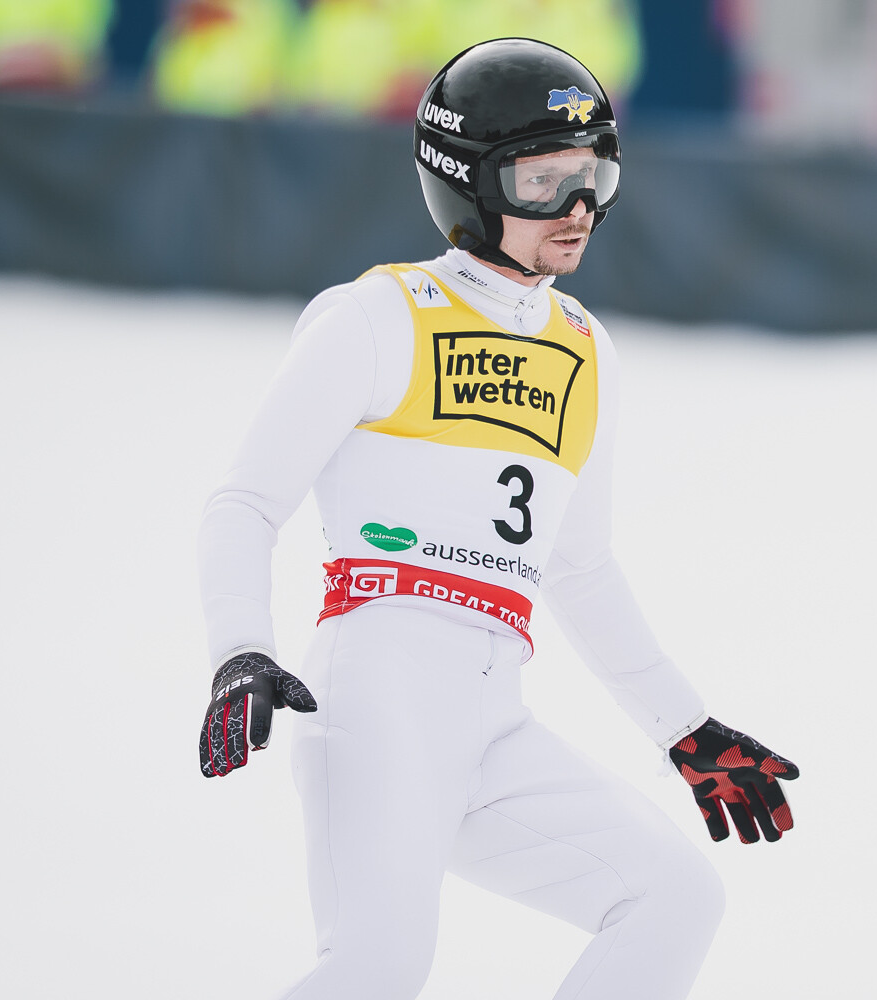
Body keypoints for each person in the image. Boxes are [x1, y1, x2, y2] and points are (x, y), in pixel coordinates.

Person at [196, 37, 799, 1000]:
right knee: (377, 968)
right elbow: (246, 501)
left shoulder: (582, 346)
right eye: (542, 182)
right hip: (378, 692)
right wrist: (241, 650)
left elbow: (580, 566)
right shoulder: (378, 315)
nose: (578, 208)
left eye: (593, 177)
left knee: (674, 896)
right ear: (466, 186)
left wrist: (685, 728)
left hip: (493, 715)